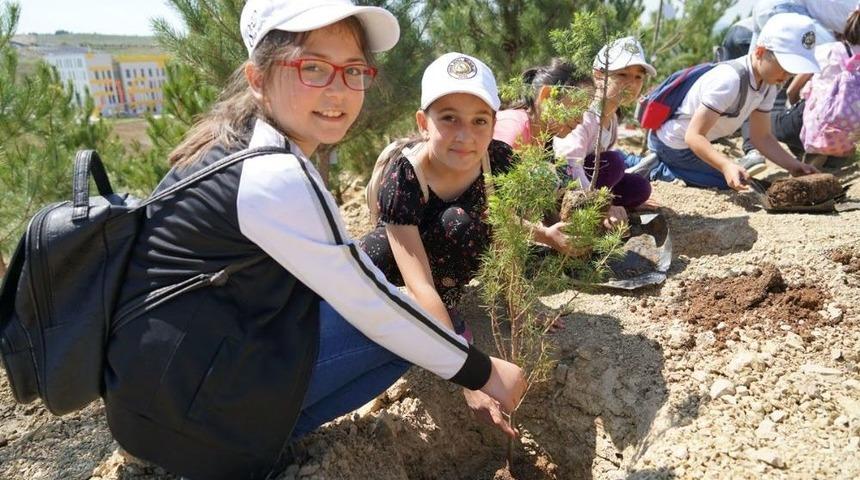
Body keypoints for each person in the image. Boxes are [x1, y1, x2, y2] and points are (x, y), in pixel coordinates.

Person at [103, 2, 525, 479]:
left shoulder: (237, 144)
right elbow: (373, 305)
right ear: (258, 78)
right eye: (314, 67)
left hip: (158, 394)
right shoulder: (272, 175)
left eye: (353, 71)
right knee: (402, 328)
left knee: (401, 327)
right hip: (182, 413)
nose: (338, 90)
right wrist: (484, 373)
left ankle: (254, 441)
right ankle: (234, 458)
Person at [360, 52, 581, 345]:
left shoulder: (499, 161)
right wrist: (458, 357)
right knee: (367, 256)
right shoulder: (404, 176)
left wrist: (522, 308)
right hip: (408, 250)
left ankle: (447, 298)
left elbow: (503, 236)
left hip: (458, 241)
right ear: (423, 123)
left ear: (493, 123)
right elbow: (417, 282)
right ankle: (425, 316)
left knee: (461, 222)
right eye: (449, 118)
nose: (465, 136)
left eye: (479, 120)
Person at [633, 13, 820, 191]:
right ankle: (654, 168)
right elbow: (693, 136)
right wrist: (725, 165)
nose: (788, 76)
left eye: (793, 70)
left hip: (694, 142)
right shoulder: (730, 80)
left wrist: (795, 166)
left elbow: (761, 136)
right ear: (761, 52)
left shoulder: (769, 84)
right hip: (673, 143)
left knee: (736, 176)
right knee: (724, 181)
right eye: (785, 67)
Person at [738, 0, 858, 169]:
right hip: (786, 11)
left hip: (768, 6)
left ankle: (753, 150)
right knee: (800, 64)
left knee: (755, 77)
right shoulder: (837, 43)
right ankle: (771, 139)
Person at [553, 36, 655, 209]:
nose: (632, 84)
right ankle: (590, 210)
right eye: (622, 74)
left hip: (589, 181)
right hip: (566, 185)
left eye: (638, 77)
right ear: (599, 75)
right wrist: (597, 203)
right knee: (614, 162)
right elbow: (567, 162)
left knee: (639, 187)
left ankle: (604, 208)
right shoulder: (585, 114)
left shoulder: (612, 119)